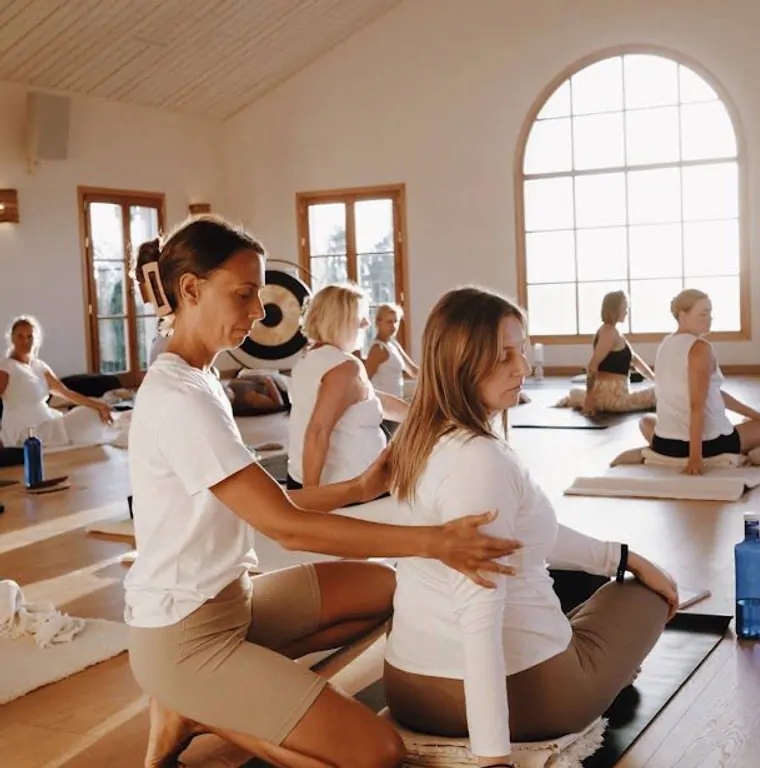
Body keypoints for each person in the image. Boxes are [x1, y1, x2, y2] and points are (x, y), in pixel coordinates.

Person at [125, 215, 522, 768]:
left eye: (259, 296)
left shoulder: (202, 379)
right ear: (190, 289)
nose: (259, 312)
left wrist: (362, 485)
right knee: (377, 755)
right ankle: (195, 705)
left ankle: (211, 696)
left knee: (384, 589)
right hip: (183, 637)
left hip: (233, 602)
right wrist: (436, 541)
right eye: (243, 295)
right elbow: (284, 527)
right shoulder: (179, 398)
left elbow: (274, 503)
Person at [382, 287, 678, 767]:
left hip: (409, 690)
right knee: (642, 595)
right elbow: (479, 616)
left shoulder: (417, 439)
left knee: (591, 575)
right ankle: (607, 670)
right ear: (460, 362)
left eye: (521, 349)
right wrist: (493, 757)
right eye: (504, 356)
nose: (523, 367)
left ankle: (602, 646)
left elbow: (528, 537)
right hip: (529, 700)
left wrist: (623, 556)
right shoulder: (480, 459)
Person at [287, 284, 408, 490]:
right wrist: (310, 501)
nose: (367, 323)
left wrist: (427, 416)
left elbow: (372, 399)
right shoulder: (345, 367)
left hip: (314, 478)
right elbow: (317, 432)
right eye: (361, 315)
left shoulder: (309, 360)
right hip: (345, 489)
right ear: (339, 319)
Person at [640, 288, 760, 475]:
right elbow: (696, 406)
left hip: (664, 444)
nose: (709, 318)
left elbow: (711, 393)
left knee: (645, 421)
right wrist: (695, 458)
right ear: (683, 316)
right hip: (709, 445)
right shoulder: (700, 349)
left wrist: (756, 415)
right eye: (703, 314)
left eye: (710, 313)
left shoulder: (665, 344)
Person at [0, 315, 120, 448]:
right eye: (20, 337)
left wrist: (99, 405)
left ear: (36, 340)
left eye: (30, 337)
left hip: (47, 419)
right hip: (26, 430)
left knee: (93, 413)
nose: (25, 341)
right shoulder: (7, 366)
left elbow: (66, 393)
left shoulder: (39, 366)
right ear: (12, 339)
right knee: (89, 419)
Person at [557, 290, 655, 415]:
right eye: (624, 307)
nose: (626, 311)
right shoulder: (608, 332)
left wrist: (655, 379)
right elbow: (593, 365)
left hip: (614, 394)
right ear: (615, 309)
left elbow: (635, 361)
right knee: (660, 393)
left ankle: (583, 398)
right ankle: (594, 400)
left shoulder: (616, 333)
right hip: (614, 399)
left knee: (660, 389)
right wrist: (589, 397)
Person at [365, 303, 419, 399]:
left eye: (396, 321)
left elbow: (413, 371)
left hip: (397, 402)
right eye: (389, 322)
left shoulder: (393, 343)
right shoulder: (377, 349)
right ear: (378, 322)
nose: (393, 326)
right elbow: (365, 380)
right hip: (383, 406)